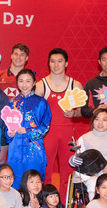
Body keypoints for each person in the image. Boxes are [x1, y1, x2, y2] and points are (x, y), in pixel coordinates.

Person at [35, 48, 82, 188]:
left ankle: (65, 207)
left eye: (60, 61)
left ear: (66, 63)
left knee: (68, 171)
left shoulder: (75, 85)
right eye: (53, 61)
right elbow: (35, 114)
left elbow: (83, 112)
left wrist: (75, 113)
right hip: (47, 133)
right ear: (49, 63)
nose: (56, 65)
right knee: (45, 170)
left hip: (67, 132)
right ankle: (45, 205)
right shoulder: (40, 86)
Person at [69, 106, 107, 199]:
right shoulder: (84, 138)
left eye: (104, 119)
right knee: (94, 182)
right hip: (90, 175)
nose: (100, 122)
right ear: (93, 122)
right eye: (97, 119)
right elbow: (77, 160)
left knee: (106, 184)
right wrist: (73, 160)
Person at [4, 69, 51, 190]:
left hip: (34, 149)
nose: (24, 84)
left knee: (34, 182)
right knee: (15, 181)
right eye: (21, 81)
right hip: (15, 149)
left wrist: (28, 131)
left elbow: (45, 126)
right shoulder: (12, 103)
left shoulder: (41, 103)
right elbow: (7, 125)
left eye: (28, 81)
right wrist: (9, 133)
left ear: (34, 83)